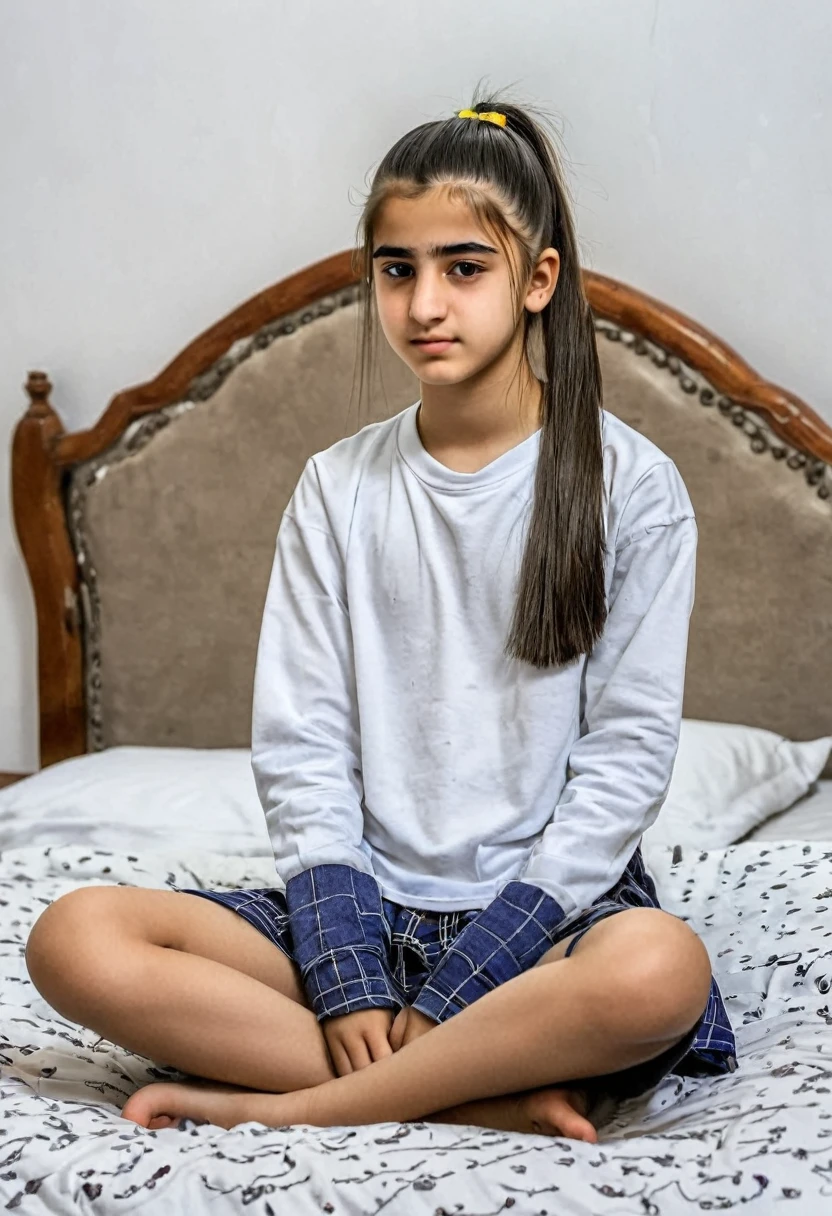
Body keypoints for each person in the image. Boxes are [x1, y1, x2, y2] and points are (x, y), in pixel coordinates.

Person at [25, 87, 737, 1142]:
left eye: (463, 266)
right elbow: (303, 738)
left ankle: (297, 1102)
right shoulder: (337, 487)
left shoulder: (627, 486)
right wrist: (347, 966)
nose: (424, 304)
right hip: (361, 899)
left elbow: (627, 756)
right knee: (73, 936)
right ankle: (486, 1093)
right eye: (396, 270)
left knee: (659, 970)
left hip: (541, 926)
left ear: (537, 279)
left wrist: (486, 959)